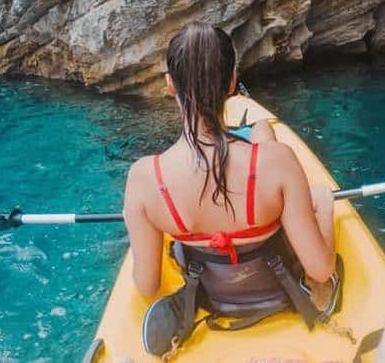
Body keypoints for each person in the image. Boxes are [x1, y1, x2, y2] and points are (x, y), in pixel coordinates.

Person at [123, 21, 335, 300]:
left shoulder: (143, 178)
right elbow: (320, 270)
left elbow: (147, 287)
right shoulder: (279, 161)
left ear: (170, 85)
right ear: (232, 82)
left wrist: (140, 224)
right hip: (277, 292)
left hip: (210, 301)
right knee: (318, 194)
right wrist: (326, 207)